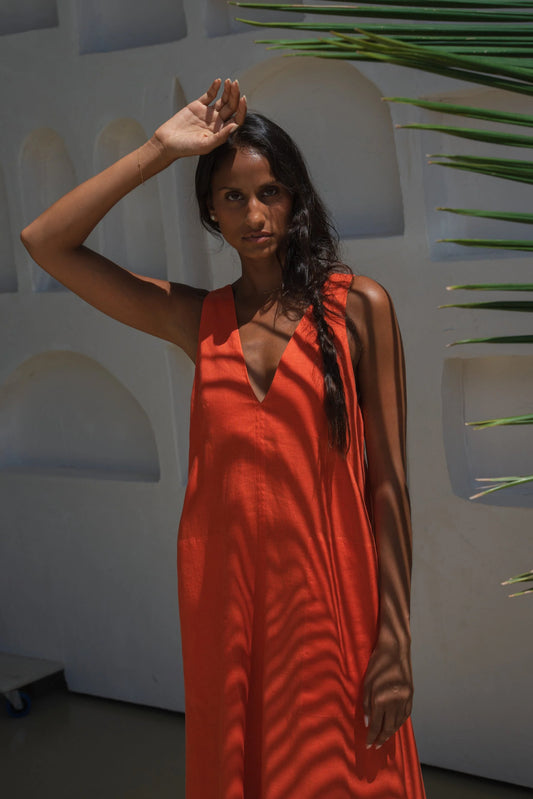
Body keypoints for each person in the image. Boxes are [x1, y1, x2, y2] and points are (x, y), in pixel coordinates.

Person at [21, 78, 426, 798]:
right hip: (228, 610)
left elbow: (388, 484)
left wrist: (393, 639)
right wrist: (158, 148)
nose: (253, 213)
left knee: (349, 780)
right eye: (232, 197)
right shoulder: (196, 318)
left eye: (269, 191)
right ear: (209, 209)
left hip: (333, 606)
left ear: (295, 197)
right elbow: (45, 242)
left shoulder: (357, 307)